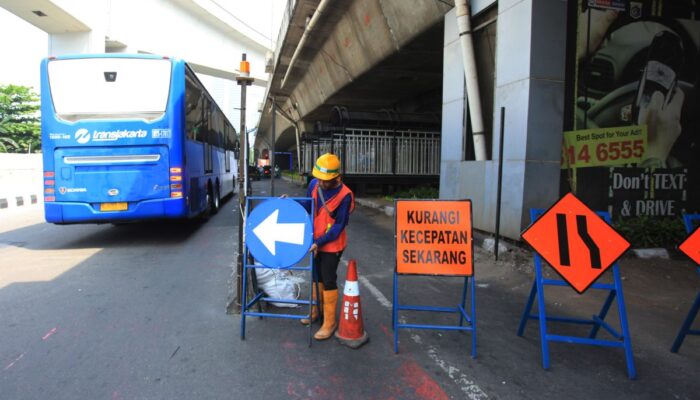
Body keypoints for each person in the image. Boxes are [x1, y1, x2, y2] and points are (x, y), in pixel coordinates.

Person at [301, 153, 354, 340]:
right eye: (319, 179)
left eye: (326, 181)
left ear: (337, 178)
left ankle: (329, 323)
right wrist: (290, 202)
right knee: (316, 276)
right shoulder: (314, 185)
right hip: (315, 242)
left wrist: (319, 242)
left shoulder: (345, 195)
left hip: (332, 244)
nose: (321, 183)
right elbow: (308, 206)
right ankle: (316, 311)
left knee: (328, 278)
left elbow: (339, 226)